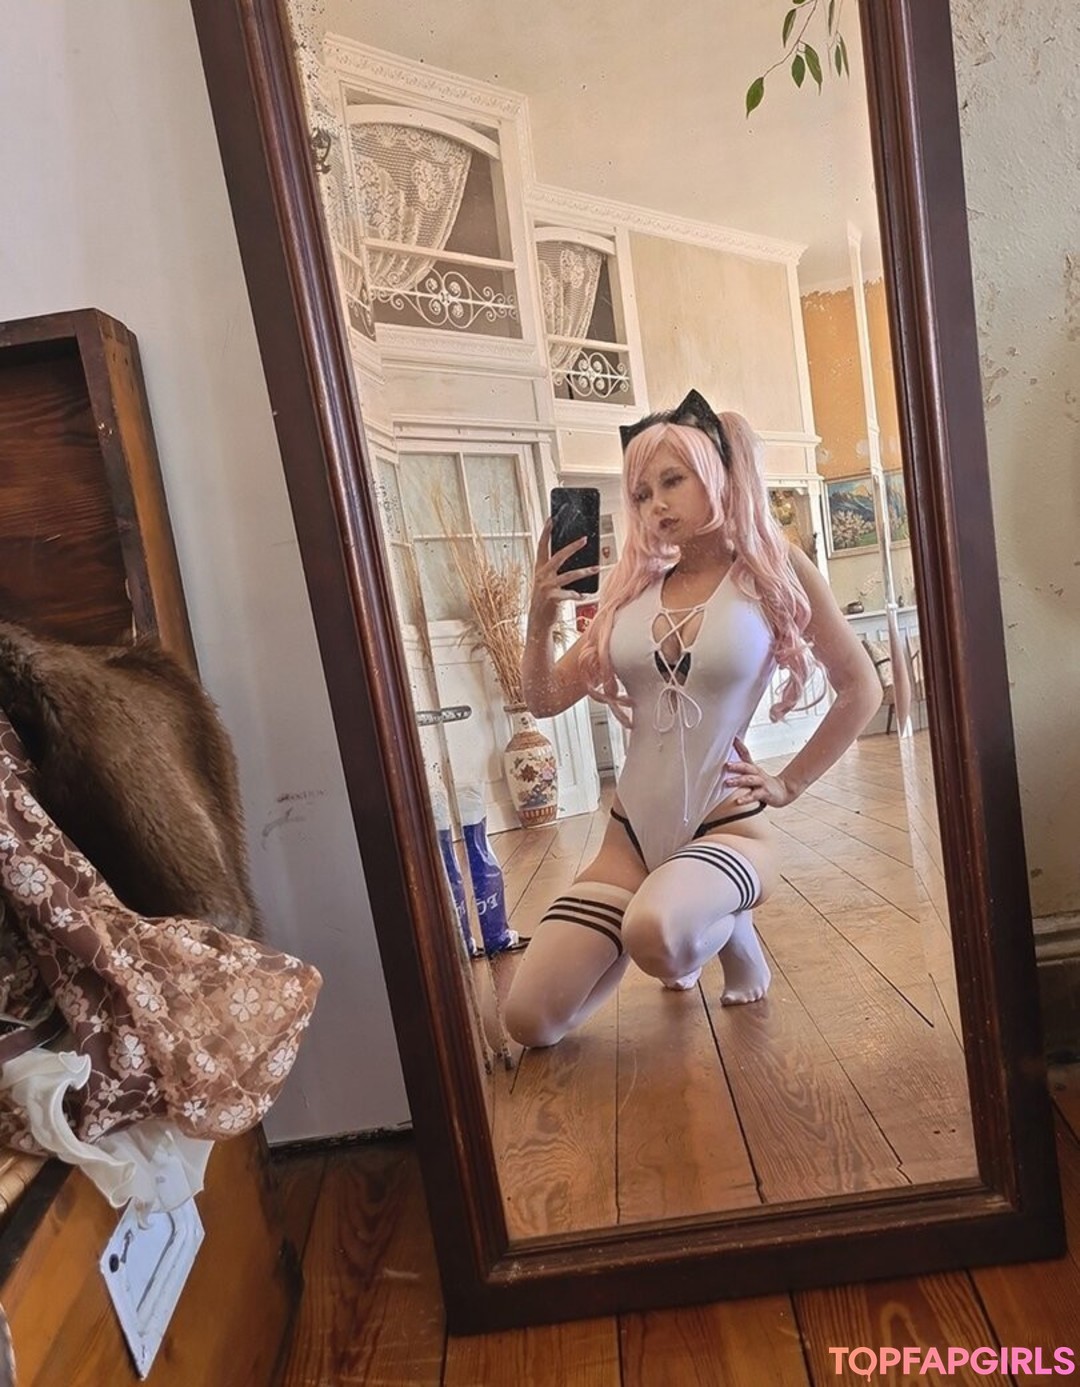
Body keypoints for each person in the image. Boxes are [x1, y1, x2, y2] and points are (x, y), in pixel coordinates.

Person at [503, 389, 882, 1048]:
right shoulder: (631, 593)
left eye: (672, 481)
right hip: (629, 839)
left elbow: (860, 687)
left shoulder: (772, 571)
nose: (656, 505)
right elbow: (543, 698)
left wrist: (788, 783)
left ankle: (732, 931)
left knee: (657, 935)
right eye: (642, 493)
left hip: (726, 826)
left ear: (717, 473)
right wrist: (539, 620)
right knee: (529, 1021)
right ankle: (679, 902)